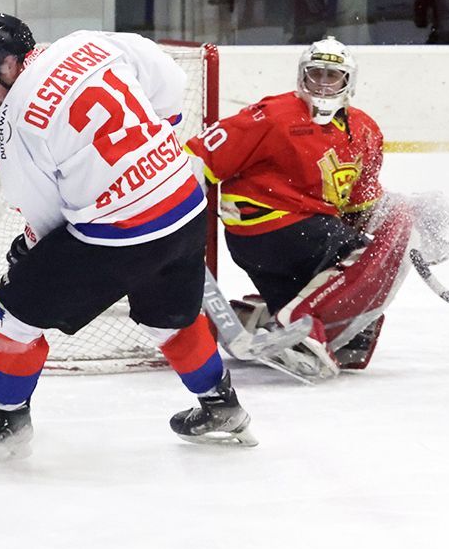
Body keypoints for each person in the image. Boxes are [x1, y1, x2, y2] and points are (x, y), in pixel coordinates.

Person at [0, 14, 256, 459]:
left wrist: (32, 252)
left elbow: (43, 213)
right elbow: (170, 78)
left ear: (7, 63)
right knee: (167, 319)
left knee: (12, 317)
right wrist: (151, 149)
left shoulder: (12, 120)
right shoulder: (88, 43)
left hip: (119, 235)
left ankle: (8, 419)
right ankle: (221, 405)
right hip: (184, 206)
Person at [185, 37, 434, 380]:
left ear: (349, 81)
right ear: (302, 76)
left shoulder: (365, 131)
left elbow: (360, 208)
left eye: (333, 75)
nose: (323, 83)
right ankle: (296, 322)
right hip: (271, 229)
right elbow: (198, 158)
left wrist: (410, 217)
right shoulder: (272, 115)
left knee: (356, 324)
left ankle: (267, 319)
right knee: (367, 255)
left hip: (303, 236)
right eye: (316, 74)